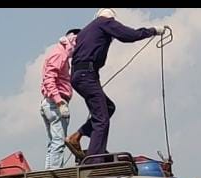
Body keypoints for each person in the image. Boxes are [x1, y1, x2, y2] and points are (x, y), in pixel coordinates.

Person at [64, 9, 161, 160]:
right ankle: (94, 162)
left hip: (80, 75)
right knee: (102, 120)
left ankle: (77, 136)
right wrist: (153, 31)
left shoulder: (86, 30)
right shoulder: (104, 22)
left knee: (108, 108)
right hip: (87, 75)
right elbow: (129, 35)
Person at [40, 28, 80, 169]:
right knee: (58, 142)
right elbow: (49, 79)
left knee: (54, 142)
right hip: (56, 103)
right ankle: (53, 177)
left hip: (50, 103)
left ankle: (49, 174)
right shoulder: (60, 54)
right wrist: (59, 101)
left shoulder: (60, 52)